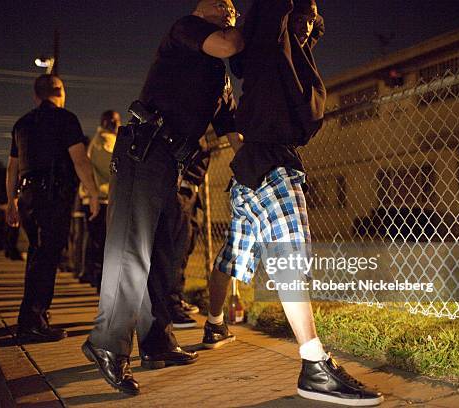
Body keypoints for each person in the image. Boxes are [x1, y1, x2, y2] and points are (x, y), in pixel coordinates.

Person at [204, 0, 384, 405]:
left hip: (248, 171)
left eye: (312, 21)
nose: (307, 26)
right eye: (302, 17)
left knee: (232, 256)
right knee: (291, 260)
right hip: (272, 165)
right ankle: (314, 366)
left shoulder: (290, 61)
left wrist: (305, 24)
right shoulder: (271, 46)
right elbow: (273, 16)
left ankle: (214, 324)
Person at [81, 0, 243, 395]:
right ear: (201, 9)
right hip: (145, 151)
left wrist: (257, 172)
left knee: (166, 253)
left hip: (173, 164)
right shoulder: (185, 30)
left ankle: (157, 342)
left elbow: (233, 132)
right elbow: (228, 44)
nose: (229, 10)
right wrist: (259, 25)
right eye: (220, 5)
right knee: (131, 250)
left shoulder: (218, 79)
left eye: (234, 8)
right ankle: (107, 344)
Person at [5, 74, 99, 343]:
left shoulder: (21, 123)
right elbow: (80, 160)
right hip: (53, 194)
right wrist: (92, 193)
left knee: (37, 253)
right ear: (61, 92)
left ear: (36, 96)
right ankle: (33, 321)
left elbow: (12, 167)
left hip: (27, 195)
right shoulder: (66, 119)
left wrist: (11, 200)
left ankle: (32, 317)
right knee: (47, 257)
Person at [169, 141, 211, 329]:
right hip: (178, 189)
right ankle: (170, 307)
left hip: (190, 189)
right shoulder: (186, 117)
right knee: (175, 251)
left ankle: (175, 299)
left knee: (185, 247)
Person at [78, 110, 121, 289]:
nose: (119, 124)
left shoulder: (98, 139)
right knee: (104, 242)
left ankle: (94, 276)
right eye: (116, 121)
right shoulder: (106, 140)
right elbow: (113, 167)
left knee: (97, 241)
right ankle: (101, 282)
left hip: (97, 197)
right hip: (102, 198)